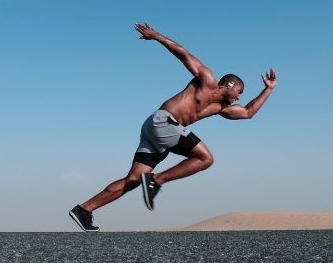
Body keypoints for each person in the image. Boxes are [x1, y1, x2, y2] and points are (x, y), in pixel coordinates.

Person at [69, 22, 277, 232]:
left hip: (158, 132)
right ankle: (156, 181)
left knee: (133, 180)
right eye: (240, 92)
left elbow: (248, 112)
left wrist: (268, 90)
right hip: (163, 122)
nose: (240, 97)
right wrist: (156, 36)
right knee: (206, 159)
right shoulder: (206, 78)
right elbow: (182, 53)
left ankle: (84, 209)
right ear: (230, 85)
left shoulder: (220, 107)